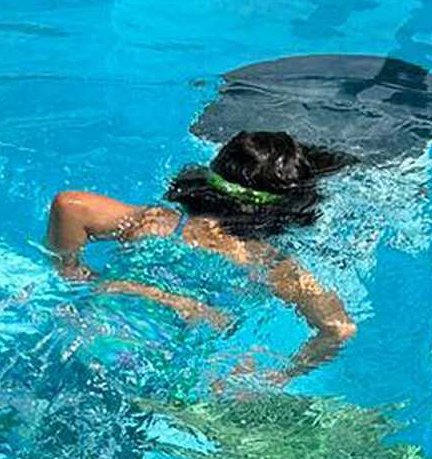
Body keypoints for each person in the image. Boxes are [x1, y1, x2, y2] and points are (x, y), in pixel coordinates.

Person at [44, 131, 358, 385]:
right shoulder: (271, 265)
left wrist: (74, 274)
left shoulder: (158, 222)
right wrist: (277, 377)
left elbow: (68, 204)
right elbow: (339, 328)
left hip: (75, 339)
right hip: (152, 374)